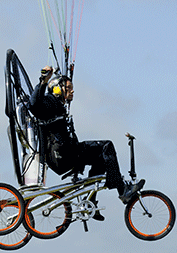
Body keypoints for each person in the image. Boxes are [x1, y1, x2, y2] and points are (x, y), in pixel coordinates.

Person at [29, 66, 144, 220]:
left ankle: (90, 201)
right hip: (63, 155)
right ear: (56, 89)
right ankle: (123, 190)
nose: (72, 91)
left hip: (67, 153)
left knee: (101, 159)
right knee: (106, 146)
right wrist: (44, 80)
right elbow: (34, 105)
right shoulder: (50, 102)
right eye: (68, 88)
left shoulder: (58, 106)